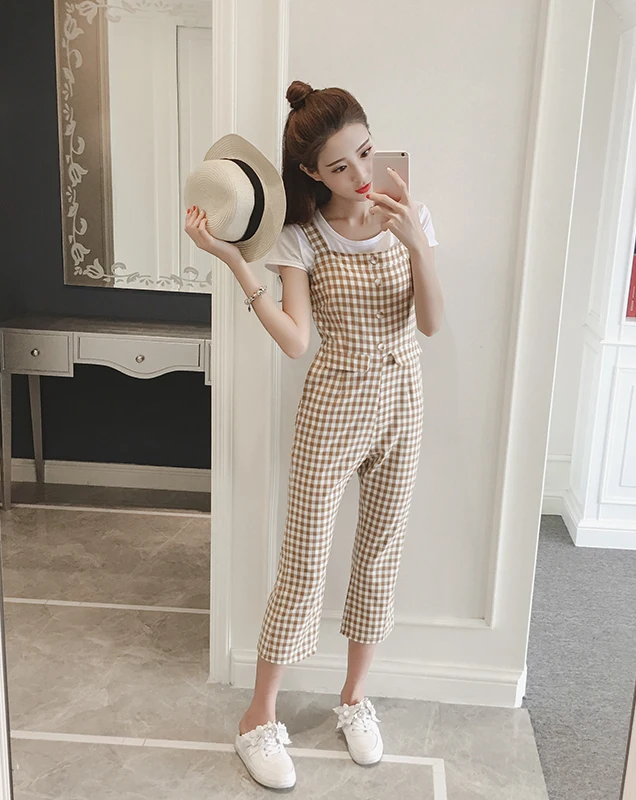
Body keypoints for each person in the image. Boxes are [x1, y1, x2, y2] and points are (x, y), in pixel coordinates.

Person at [185, 80, 443, 790]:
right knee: (304, 563)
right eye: (338, 166)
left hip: (404, 401)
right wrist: (236, 263)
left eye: (365, 152)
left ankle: (354, 699)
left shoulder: (409, 214)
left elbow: (430, 323)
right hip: (333, 408)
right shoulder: (301, 237)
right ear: (310, 172)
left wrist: (418, 244)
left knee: (381, 554)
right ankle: (257, 718)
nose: (359, 174)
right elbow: (297, 342)